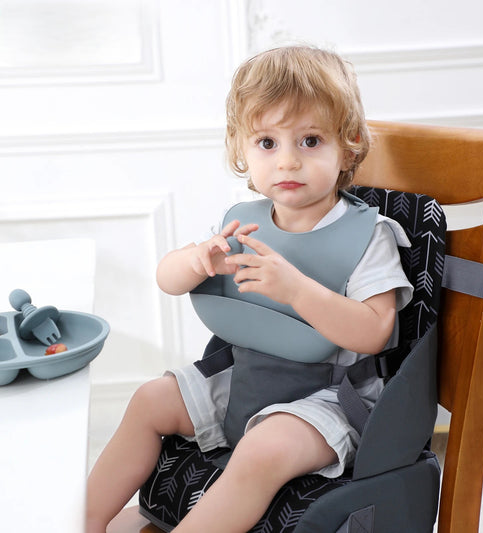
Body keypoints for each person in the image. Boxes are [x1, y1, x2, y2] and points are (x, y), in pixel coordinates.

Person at [86, 45, 413, 533]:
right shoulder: (244, 223)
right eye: (267, 142)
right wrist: (196, 260)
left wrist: (297, 291)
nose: (288, 162)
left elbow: (374, 332)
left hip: (329, 398)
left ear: (348, 147)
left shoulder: (369, 234)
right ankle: (82, 521)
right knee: (150, 399)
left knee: (262, 449)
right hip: (247, 376)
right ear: (241, 150)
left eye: (309, 140)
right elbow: (167, 280)